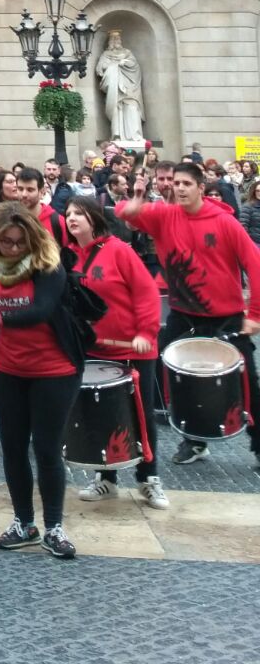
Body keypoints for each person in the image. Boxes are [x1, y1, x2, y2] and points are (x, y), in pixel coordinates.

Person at [120, 162, 260, 470]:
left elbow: (255, 263)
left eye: (186, 183)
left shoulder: (225, 222)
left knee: (248, 380)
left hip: (226, 317)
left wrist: (255, 314)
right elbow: (126, 214)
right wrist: (134, 203)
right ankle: (194, 440)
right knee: (177, 377)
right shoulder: (165, 216)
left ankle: (259, 444)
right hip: (184, 316)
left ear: (200, 188)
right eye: (177, 183)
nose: (180, 188)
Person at [0, 203, 85, 559]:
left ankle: (54, 526)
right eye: (6, 241)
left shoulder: (48, 265)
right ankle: (24, 522)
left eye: (20, 242)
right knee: (13, 447)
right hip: (8, 368)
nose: (13, 248)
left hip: (54, 369)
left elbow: (41, 310)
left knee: (47, 449)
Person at [64, 198, 167, 509]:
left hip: (133, 349)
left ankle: (149, 477)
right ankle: (106, 479)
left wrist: (145, 332)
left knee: (140, 414)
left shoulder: (119, 250)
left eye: (79, 213)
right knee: (99, 414)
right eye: (68, 214)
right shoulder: (68, 257)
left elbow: (146, 293)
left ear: (94, 218)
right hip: (94, 350)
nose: (71, 218)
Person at [15, 167, 66, 248]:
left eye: (30, 190)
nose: (24, 194)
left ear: (42, 192)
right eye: (20, 189)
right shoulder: (10, 218)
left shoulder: (57, 221)